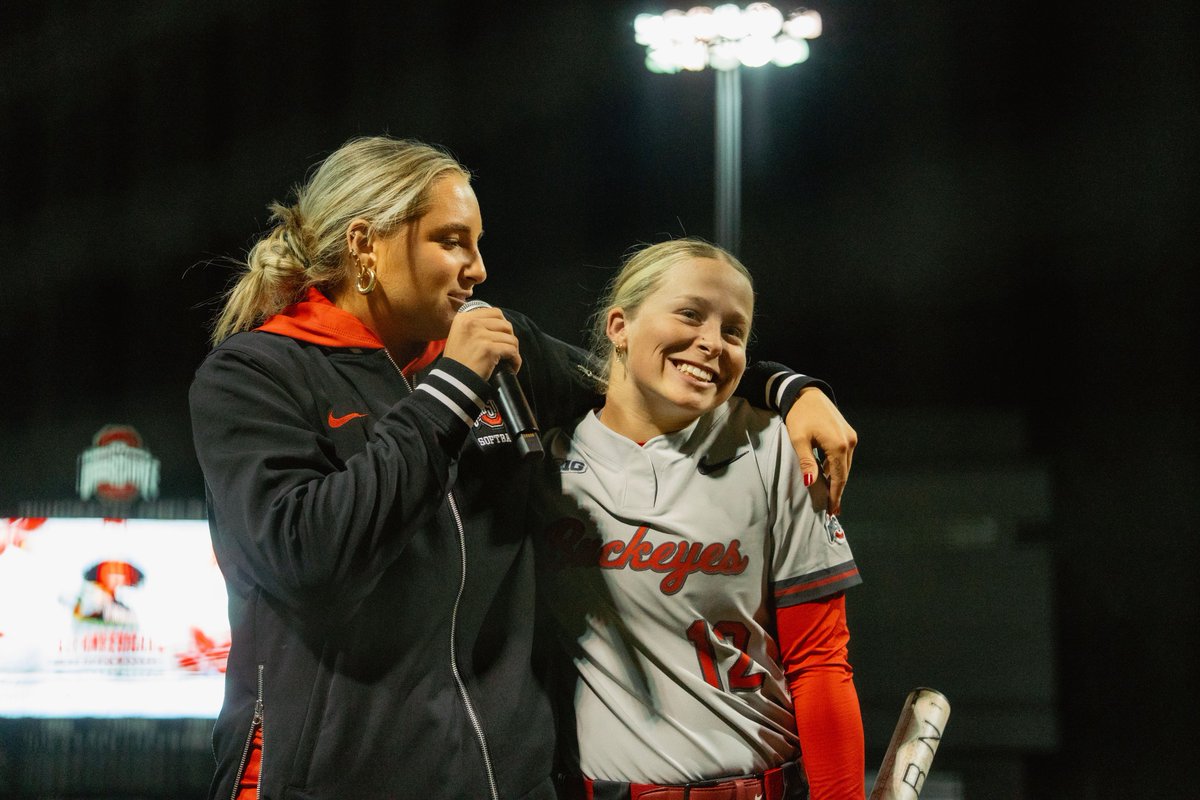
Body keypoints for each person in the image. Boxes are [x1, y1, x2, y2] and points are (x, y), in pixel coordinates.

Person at [189, 135, 857, 800]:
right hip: (328, 782)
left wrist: (789, 389)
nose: (477, 268)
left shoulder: (504, 351)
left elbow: (648, 377)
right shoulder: (255, 373)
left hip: (504, 783)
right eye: (451, 241)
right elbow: (308, 560)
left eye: (478, 244)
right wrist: (451, 389)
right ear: (367, 245)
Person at [534, 239, 865, 800]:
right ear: (619, 325)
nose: (712, 342)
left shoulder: (779, 449)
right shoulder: (541, 464)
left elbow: (821, 662)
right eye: (690, 314)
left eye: (734, 331)